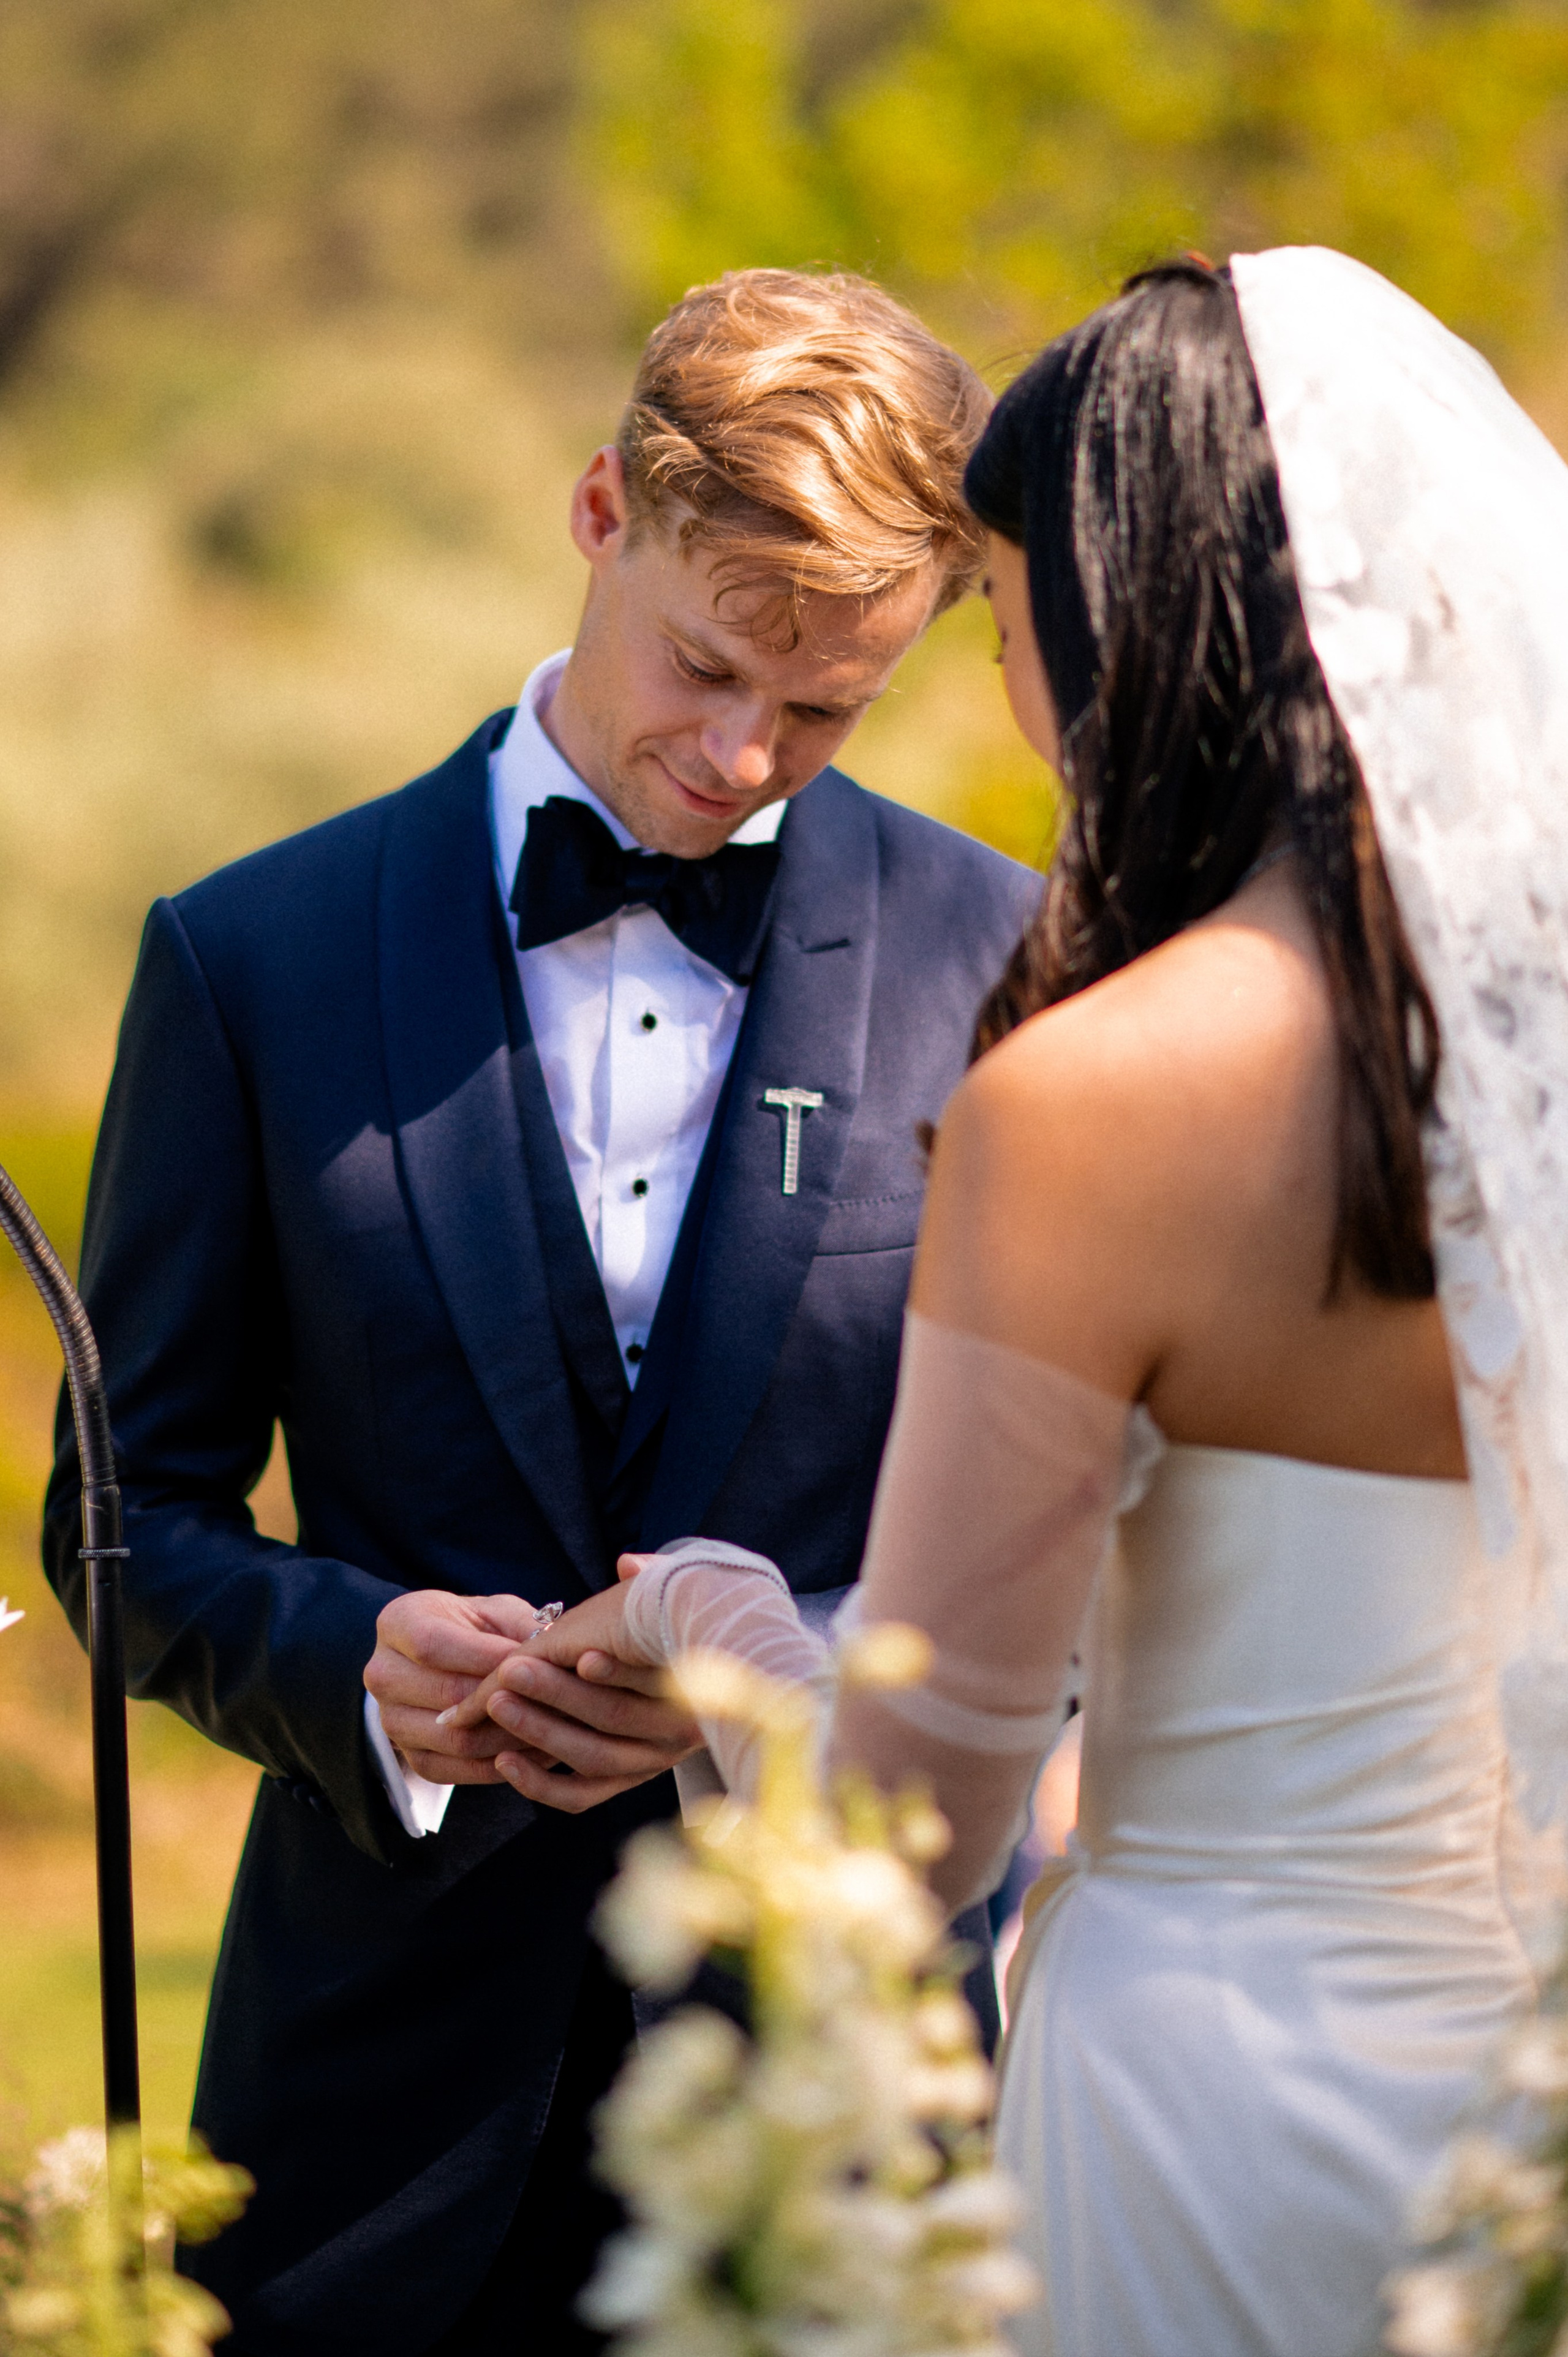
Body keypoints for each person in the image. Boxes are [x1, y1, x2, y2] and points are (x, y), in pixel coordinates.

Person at [453, 248, 1568, 2355]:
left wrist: (702, 1612)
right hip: (1525, 2107)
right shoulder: (1533, 1078)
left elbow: (905, 1847)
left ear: (1126, 621)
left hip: (1207, 2111)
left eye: (1006, 620)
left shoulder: (1095, 1100)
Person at [41, 267, 1041, 2356]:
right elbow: (124, 1526)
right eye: (707, 667)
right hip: (372, 2136)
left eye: (828, 710)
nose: (742, 756)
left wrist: (773, 1681)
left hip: (835, 2125)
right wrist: (353, 1665)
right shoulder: (250, 956)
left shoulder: (1016, 962)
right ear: (602, 511)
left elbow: (1083, 1540)